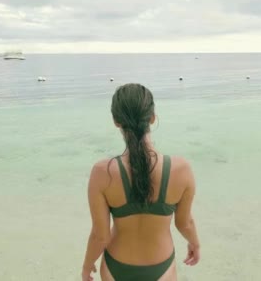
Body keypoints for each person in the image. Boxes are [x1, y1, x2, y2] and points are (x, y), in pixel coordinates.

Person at [81, 83, 200, 281]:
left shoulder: (102, 172)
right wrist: (194, 243)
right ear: (152, 118)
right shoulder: (181, 169)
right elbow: (184, 223)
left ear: (116, 122)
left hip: (115, 268)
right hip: (162, 268)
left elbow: (100, 235)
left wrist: (87, 265)